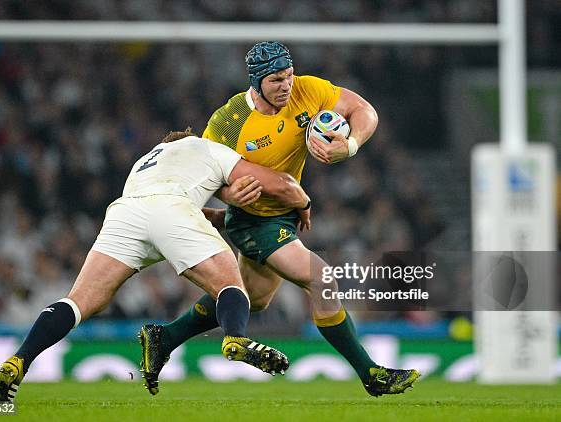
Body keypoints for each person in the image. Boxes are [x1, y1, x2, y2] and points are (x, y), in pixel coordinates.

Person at [150, 42, 420, 397]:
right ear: (257, 82)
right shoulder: (228, 122)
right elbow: (207, 175)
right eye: (277, 80)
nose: (286, 86)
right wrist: (230, 196)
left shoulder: (307, 90)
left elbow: (362, 109)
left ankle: (163, 337)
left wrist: (350, 145)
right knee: (322, 278)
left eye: (289, 76)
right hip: (253, 221)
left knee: (250, 299)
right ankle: (371, 374)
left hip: (284, 215)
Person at [0, 128, 313, 402]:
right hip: (172, 208)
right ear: (189, 138)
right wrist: (302, 202)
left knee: (78, 302)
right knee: (230, 284)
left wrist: (224, 215)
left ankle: (20, 359)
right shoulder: (204, 147)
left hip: (125, 214)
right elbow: (277, 184)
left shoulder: (144, 162)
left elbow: (173, 213)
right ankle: (235, 338)